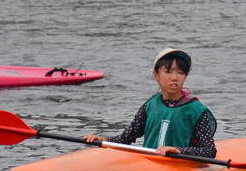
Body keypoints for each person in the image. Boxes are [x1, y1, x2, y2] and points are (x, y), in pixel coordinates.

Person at [84, 48, 217, 158]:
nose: (175, 78)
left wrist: (179, 150)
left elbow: (210, 151)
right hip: (149, 163)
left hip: (180, 165)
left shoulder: (197, 110)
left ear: (185, 77)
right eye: (168, 72)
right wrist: (105, 140)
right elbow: (128, 136)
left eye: (180, 73)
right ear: (156, 75)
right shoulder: (151, 104)